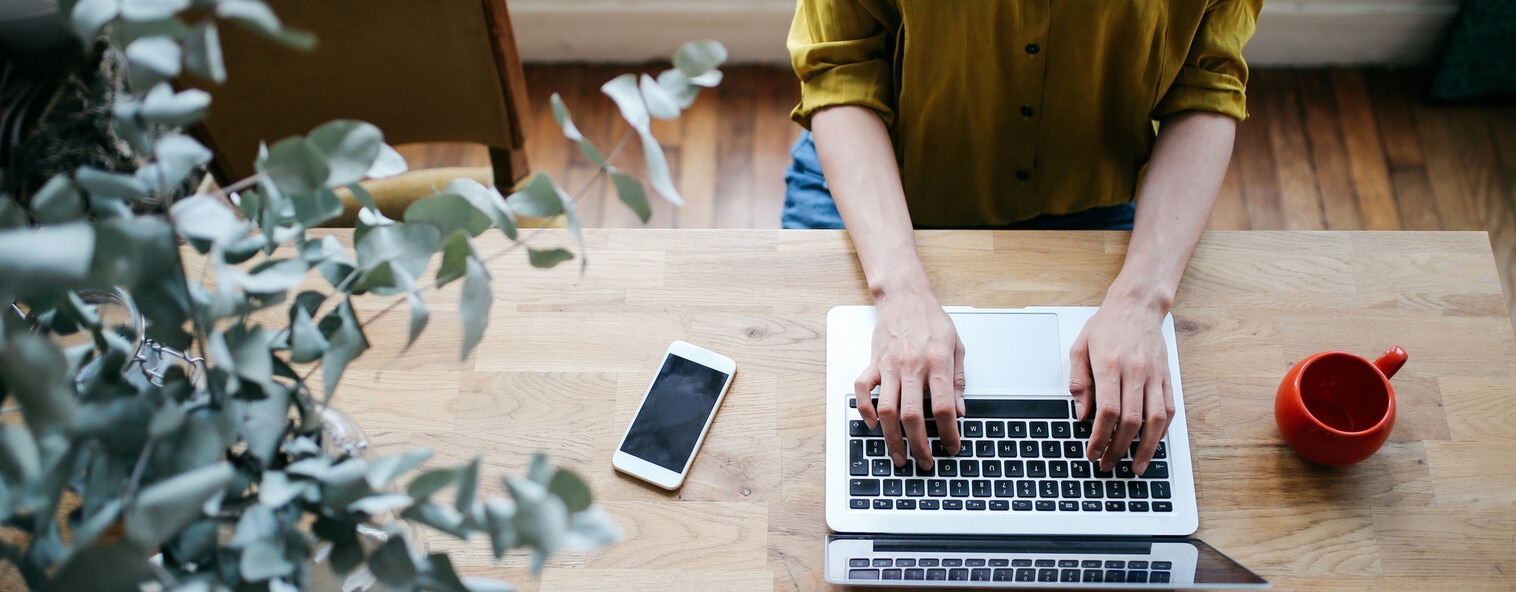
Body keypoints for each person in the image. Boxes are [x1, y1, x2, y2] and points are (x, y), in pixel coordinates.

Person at [785, 1, 1261, 478]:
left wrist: (1143, 298)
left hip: (1092, 198)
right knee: (805, 422)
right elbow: (841, 70)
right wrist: (900, 290)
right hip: (880, 182)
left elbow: (1206, 85)